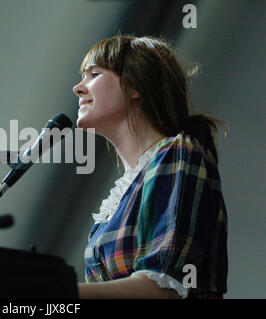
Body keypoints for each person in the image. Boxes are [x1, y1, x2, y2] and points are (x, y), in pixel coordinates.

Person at [72, 34, 228, 299]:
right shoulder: (124, 196)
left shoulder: (178, 153)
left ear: (136, 86)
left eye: (94, 74)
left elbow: (162, 290)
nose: (78, 87)